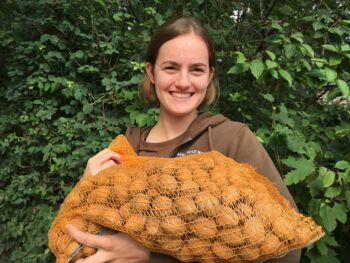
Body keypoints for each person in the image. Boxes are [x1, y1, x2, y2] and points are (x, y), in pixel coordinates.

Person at [66, 16, 301, 263]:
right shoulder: (125, 149)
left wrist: (151, 256)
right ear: (151, 72)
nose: (183, 82)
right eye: (171, 67)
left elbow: (287, 250)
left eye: (196, 69)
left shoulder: (231, 140)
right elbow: (77, 244)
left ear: (209, 76)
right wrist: (83, 191)